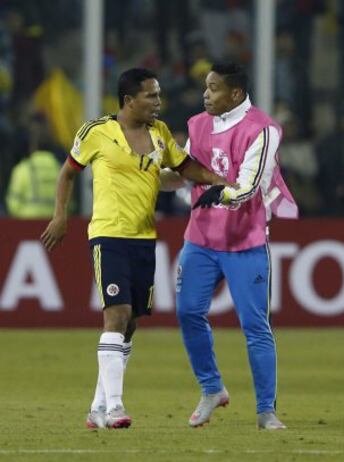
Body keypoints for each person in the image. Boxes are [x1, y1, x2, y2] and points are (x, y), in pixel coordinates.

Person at [40, 68, 229, 430]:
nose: (159, 103)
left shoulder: (159, 134)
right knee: (118, 313)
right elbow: (67, 173)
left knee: (131, 324)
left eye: (158, 95)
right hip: (108, 235)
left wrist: (220, 180)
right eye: (152, 96)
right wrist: (60, 216)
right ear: (129, 100)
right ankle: (114, 407)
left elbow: (186, 167)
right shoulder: (96, 132)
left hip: (144, 238)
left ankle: (96, 407)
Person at [175, 63, 298, 430]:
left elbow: (249, 185)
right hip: (199, 239)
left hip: (245, 241)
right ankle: (212, 388)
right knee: (187, 312)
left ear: (236, 94)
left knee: (255, 326)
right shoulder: (197, 125)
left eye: (213, 88)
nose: (206, 94)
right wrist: (154, 174)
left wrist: (219, 193)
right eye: (205, 87)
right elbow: (183, 171)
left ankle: (266, 411)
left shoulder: (263, 129)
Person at [6, 113, 61, 218]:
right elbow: (70, 205)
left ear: (31, 144)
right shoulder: (61, 170)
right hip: (54, 229)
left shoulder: (22, 170)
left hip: (26, 227)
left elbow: (12, 205)